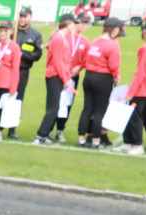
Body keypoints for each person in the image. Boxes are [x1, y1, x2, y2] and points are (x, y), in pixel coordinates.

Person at [77, 16, 123, 149]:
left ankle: (81, 139)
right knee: (99, 110)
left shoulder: (95, 41)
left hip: (89, 76)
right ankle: (96, 141)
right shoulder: (112, 45)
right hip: (103, 78)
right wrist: (116, 76)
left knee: (87, 109)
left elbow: (86, 59)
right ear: (114, 30)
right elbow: (114, 65)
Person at [119, 19, 146, 155]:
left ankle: (137, 145)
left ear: (145, 31)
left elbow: (141, 71)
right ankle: (129, 142)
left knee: (135, 115)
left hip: (144, 87)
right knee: (139, 114)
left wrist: (131, 91)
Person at [32, 16, 76, 146]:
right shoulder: (58, 39)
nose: (75, 26)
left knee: (54, 107)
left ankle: (44, 136)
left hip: (57, 75)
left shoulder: (60, 38)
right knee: (53, 108)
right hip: (55, 76)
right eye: (74, 23)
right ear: (68, 24)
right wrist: (65, 79)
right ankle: (40, 135)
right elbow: (57, 61)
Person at [52, 13, 90, 142]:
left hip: (74, 77)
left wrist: (79, 67)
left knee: (68, 103)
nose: (83, 25)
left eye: (86, 23)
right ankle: (49, 128)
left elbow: (87, 59)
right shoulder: (65, 36)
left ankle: (60, 130)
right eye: (81, 22)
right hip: (60, 74)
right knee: (55, 102)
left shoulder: (85, 41)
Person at [11, 6, 43, 139]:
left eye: (25, 16)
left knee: (17, 99)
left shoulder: (35, 35)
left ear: (30, 17)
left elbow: (37, 54)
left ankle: (12, 128)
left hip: (22, 70)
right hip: (7, 70)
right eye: (21, 16)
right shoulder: (12, 32)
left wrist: (22, 55)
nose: (22, 19)